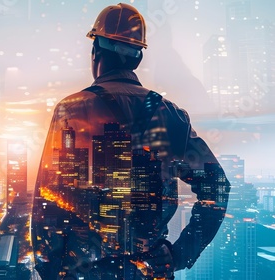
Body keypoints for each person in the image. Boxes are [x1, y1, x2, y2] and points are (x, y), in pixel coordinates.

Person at [31, 3, 230, 280]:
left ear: (95, 52)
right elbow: (217, 187)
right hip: (149, 271)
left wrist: (51, 269)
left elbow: (48, 203)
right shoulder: (170, 115)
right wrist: (178, 254)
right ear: (137, 59)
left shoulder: (73, 110)